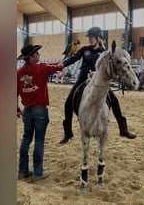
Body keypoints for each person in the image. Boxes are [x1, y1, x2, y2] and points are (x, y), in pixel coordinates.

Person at [59, 27, 136, 144]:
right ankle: (68, 132)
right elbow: (73, 59)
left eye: (91, 37)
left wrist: (97, 73)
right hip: (83, 76)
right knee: (68, 102)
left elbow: (106, 67)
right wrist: (61, 65)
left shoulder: (104, 52)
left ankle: (123, 129)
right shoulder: (84, 50)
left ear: (98, 38)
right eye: (88, 37)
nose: (89, 39)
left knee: (114, 101)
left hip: (98, 80)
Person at [17, 44, 63, 181]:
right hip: (40, 110)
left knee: (26, 139)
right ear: (31, 57)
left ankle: (22, 171)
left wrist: (16, 108)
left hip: (27, 110)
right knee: (39, 140)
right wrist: (64, 62)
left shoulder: (18, 72)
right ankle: (38, 173)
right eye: (36, 53)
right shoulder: (41, 68)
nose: (38, 55)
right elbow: (58, 66)